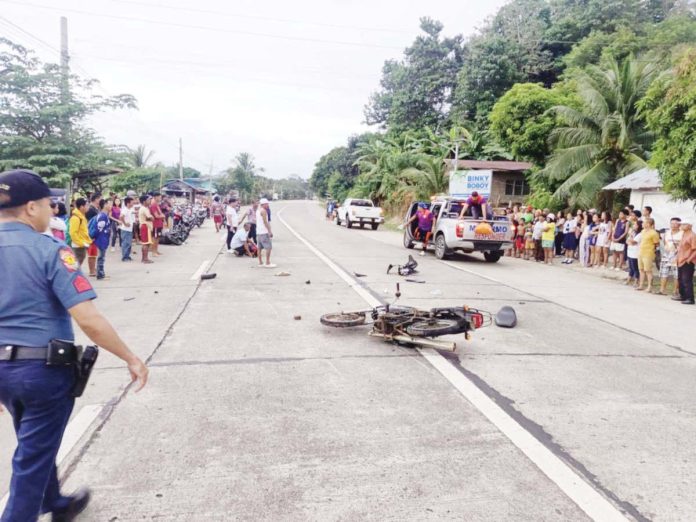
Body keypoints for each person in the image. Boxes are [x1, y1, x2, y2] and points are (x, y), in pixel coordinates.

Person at [0, 169, 149, 522]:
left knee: (35, 442)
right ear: (32, 208)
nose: (54, 211)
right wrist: (130, 357)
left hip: (3, 371)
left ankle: (56, 503)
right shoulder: (49, 249)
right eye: (50, 205)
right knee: (32, 457)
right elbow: (88, 320)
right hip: (42, 371)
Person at [659, 218, 682, 297]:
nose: (673, 225)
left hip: (677, 256)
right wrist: (666, 247)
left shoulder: (682, 233)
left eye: (675, 223)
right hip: (667, 255)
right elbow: (665, 242)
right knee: (664, 272)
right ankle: (662, 289)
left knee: (676, 274)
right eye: (672, 223)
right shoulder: (667, 233)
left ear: (679, 224)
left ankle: (675, 290)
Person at [636, 217, 660, 292]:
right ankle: (641, 285)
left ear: (648, 224)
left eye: (644, 222)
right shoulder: (643, 231)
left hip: (648, 253)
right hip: (641, 252)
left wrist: (653, 250)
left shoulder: (654, 233)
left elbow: (657, 244)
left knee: (648, 270)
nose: (642, 224)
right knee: (641, 269)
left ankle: (649, 286)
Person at [675, 220, 695, 305]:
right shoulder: (684, 234)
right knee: (680, 279)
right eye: (681, 224)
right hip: (681, 259)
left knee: (686, 279)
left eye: (684, 224)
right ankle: (683, 295)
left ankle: (690, 298)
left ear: (690, 225)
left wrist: (689, 259)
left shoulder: (692, 235)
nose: (681, 226)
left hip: (687, 260)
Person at [68, 198, 91, 268]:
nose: (88, 207)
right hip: (78, 246)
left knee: (77, 264)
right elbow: (73, 233)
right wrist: (81, 243)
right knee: (75, 265)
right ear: (81, 207)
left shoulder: (81, 216)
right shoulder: (76, 218)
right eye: (86, 205)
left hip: (81, 244)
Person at [94, 199, 112, 280]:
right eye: (109, 204)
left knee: (102, 256)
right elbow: (99, 228)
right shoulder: (102, 216)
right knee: (101, 257)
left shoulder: (104, 215)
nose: (110, 206)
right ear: (104, 205)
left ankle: (101, 273)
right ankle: (100, 274)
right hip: (101, 239)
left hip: (103, 238)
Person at [85, 193, 101, 278]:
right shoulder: (91, 210)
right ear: (95, 199)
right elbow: (90, 223)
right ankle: (91, 270)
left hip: (94, 233)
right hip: (91, 233)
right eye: (99, 198)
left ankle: (93, 269)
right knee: (91, 252)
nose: (100, 200)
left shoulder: (95, 209)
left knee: (94, 252)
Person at [256, 198, 275, 268]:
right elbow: (265, 222)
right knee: (268, 247)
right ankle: (267, 262)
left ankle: (260, 262)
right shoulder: (263, 211)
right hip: (264, 232)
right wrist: (269, 231)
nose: (268, 205)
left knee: (259, 248)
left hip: (259, 232)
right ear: (263, 204)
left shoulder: (258, 210)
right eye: (267, 204)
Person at [138, 194, 154, 264]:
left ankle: (144, 258)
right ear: (144, 201)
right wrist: (151, 217)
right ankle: (145, 259)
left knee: (145, 243)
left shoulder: (144, 208)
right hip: (145, 227)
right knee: (146, 244)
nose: (150, 201)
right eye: (148, 200)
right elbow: (150, 218)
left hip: (145, 226)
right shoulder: (144, 209)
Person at [625, 220, 642, 287]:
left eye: (635, 225)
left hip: (635, 253)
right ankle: (629, 279)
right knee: (631, 267)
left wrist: (630, 239)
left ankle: (636, 281)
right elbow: (627, 241)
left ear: (638, 226)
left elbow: (633, 242)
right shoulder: (633, 233)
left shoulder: (640, 234)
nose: (633, 226)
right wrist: (630, 239)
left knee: (635, 268)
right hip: (630, 251)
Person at [149, 193, 165, 257]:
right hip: (155, 224)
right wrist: (162, 216)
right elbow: (156, 216)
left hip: (159, 224)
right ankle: (153, 252)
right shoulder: (153, 205)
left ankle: (156, 250)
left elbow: (160, 215)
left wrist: (162, 217)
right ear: (155, 197)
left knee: (158, 238)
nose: (160, 198)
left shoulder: (157, 205)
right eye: (159, 197)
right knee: (155, 238)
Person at [120, 196, 135, 261]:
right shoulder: (125, 209)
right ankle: (124, 257)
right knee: (126, 243)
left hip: (130, 229)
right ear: (128, 203)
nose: (133, 203)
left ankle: (127, 256)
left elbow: (132, 213)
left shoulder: (130, 209)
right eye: (132, 202)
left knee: (129, 243)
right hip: (125, 229)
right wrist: (125, 223)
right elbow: (121, 217)